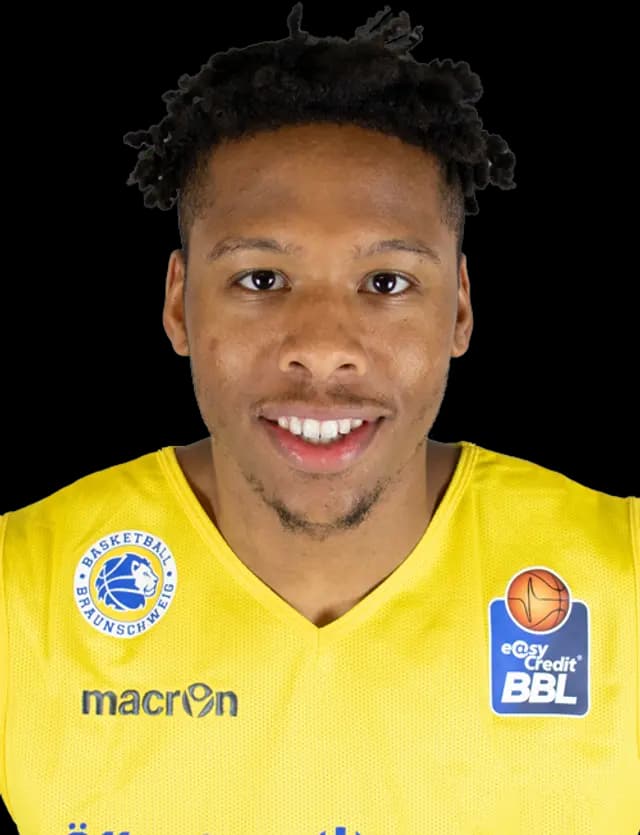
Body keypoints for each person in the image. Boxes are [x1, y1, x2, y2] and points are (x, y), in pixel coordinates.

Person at [1, 4, 637, 833]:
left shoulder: (623, 581)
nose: (325, 349)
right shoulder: (21, 596)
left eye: (387, 282)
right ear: (179, 305)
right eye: (261, 280)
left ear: (459, 309)